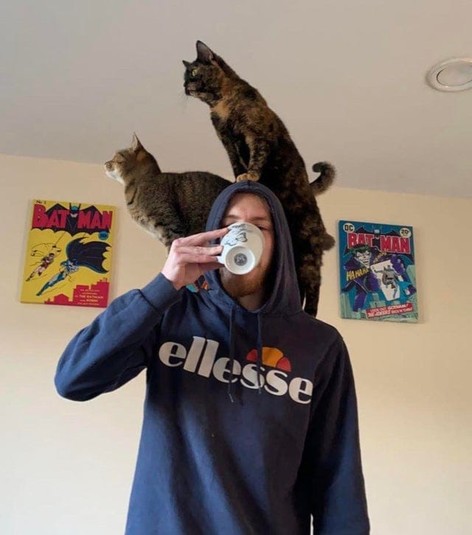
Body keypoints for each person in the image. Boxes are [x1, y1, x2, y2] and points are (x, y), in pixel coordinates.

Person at [55, 180, 370, 534]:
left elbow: (337, 476)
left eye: (260, 227)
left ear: (279, 243)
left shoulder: (319, 344)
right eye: (230, 225)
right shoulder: (170, 315)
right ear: (213, 238)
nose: (243, 235)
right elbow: (74, 379)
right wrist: (164, 286)